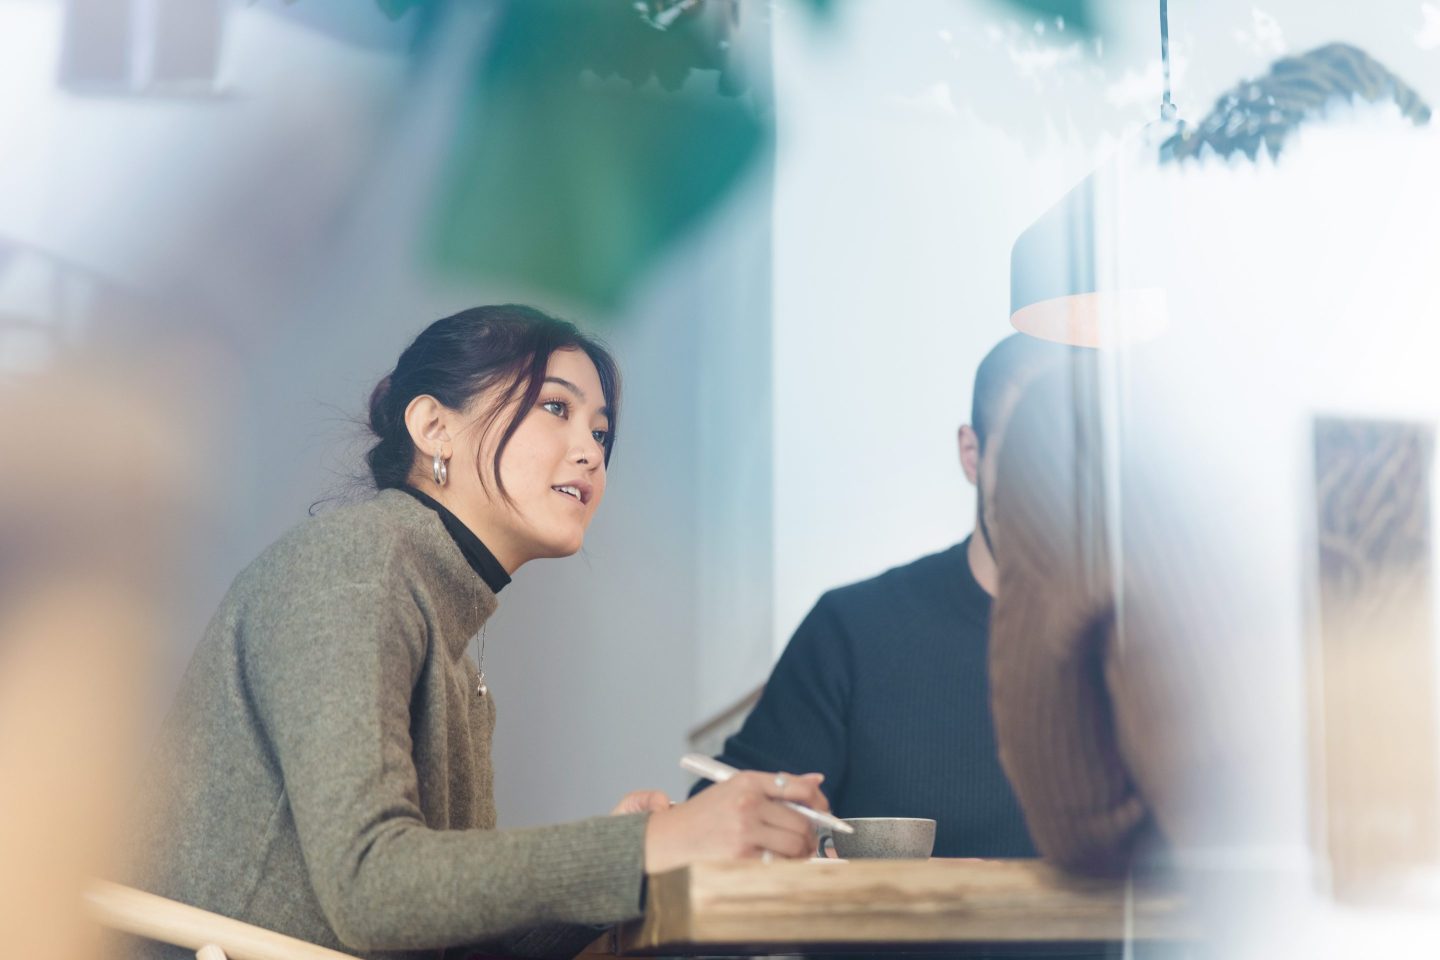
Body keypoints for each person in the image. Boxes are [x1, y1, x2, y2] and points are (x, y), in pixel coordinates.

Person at [128, 305, 828, 960]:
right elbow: (370, 886)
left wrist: (633, 858)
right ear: (435, 428)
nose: (590, 452)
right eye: (556, 408)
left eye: (600, 431)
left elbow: (453, 937)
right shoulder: (354, 565)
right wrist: (644, 847)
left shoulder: (446, 631)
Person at [695, 333, 1068, 859]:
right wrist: (803, 855)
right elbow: (719, 825)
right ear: (972, 454)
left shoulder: (1148, 646)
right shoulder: (854, 632)